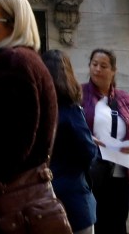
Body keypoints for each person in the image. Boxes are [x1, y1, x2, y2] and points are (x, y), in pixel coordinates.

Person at [0, 0, 72, 234]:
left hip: (5, 211)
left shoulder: (13, 65)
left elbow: (10, 149)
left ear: (13, 25)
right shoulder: (22, 62)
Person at [82, 49, 129, 234]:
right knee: (94, 223)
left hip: (120, 173)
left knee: (117, 224)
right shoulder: (79, 94)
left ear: (113, 71)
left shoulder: (125, 99)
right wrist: (89, 140)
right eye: (94, 64)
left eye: (103, 66)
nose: (97, 69)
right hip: (91, 172)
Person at [41, 51, 97, 234]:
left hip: (42, 200)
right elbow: (88, 151)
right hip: (73, 198)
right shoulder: (70, 110)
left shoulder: (36, 111)